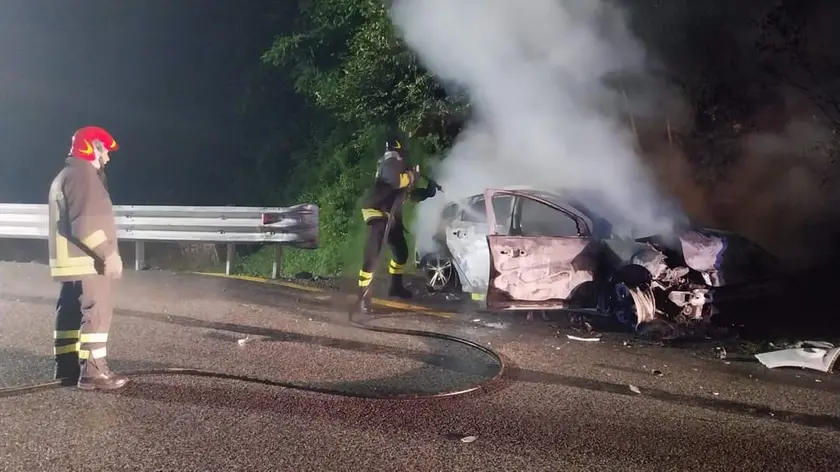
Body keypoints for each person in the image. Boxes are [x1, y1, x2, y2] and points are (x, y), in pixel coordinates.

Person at [49, 125, 128, 390]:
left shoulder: (67, 175)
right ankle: (95, 372)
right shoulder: (84, 177)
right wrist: (109, 255)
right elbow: (86, 225)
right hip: (88, 261)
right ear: (91, 146)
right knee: (97, 311)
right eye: (104, 149)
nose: (107, 157)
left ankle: (67, 367)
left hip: (72, 262)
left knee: (70, 312)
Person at [357, 134, 437, 313]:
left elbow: (405, 194)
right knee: (373, 255)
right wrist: (412, 175)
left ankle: (395, 286)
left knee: (401, 253)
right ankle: (363, 297)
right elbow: (395, 182)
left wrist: (426, 193)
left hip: (391, 215)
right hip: (377, 212)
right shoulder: (390, 161)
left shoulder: (398, 165)